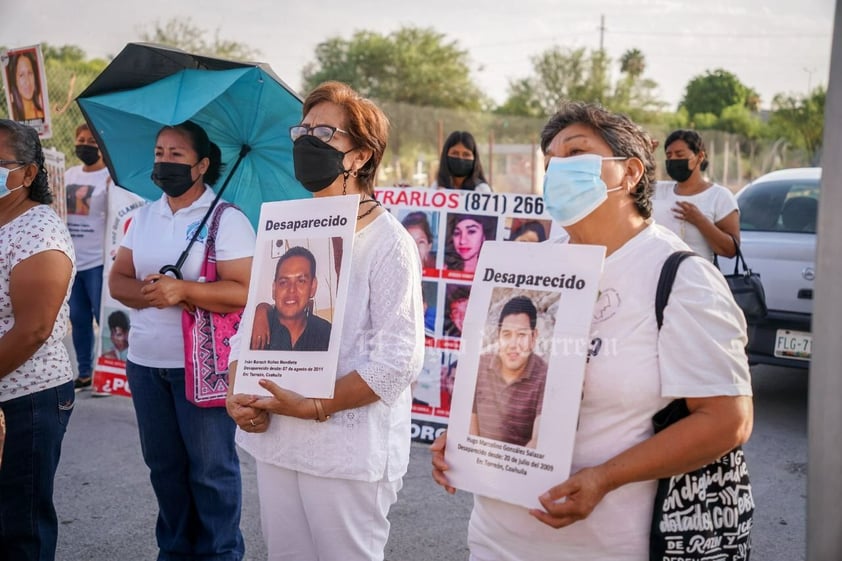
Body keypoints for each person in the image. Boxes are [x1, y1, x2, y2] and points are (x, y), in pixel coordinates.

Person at [432, 101, 753, 560]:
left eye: (576, 153)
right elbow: (504, 377)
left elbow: (727, 420)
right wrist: (466, 441)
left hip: (607, 546)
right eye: (551, 162)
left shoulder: (680, 276)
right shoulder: (534, 263)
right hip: (496, 541)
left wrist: (605, 478)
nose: (558, 169)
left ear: (631, 173)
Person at [226, 81, 425, 561]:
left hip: (347, 454)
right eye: (302, 129)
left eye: (324, 132)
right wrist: (238, 392)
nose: (305, 141)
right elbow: (248, 329)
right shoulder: (286, 227)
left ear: (359, 156)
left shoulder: (388, 241)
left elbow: (399, 360)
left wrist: (316, 405)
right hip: (277, 439)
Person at [108, 120, 255, 561]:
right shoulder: (143, 217)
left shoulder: (227, 220)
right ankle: (173, 552)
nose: (164, 161)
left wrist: (184, 291)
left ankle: (220, 553)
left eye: (176, 154)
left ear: (202, 164)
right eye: (159, 152)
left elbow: (244, 291)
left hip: (204, 367)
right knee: (165, 469)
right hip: (147, 362)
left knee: (211, 472)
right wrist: (154, 294)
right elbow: (119, 280)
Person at [0, 120, 76, 560]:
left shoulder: (39, 232)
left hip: (26, 399)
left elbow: (33, 329)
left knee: (19, 527)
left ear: (28, 174)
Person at [65, 122, 112, 390]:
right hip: (72, 261)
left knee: (102, 319)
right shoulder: (69, 174)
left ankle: (108, 375)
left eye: (91, 141)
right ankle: (85, 373)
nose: (84, 144)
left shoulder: (109, 178)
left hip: (98, 262)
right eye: (80, 139)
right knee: (78, 319)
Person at [469, 296, 547, 449]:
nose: (513, 344)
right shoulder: (479, 366)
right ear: (498, 336)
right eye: (506, 334)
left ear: (534, 337)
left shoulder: (544, 375)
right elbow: (469, 431)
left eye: (521, 335)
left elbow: (538, 439)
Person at [651, 129, 740, 262]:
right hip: (661, 277)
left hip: (698, 277)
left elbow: (731, 250)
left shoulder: (719, 196)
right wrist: (643, 155)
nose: (673, 159)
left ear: (699, 157)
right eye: (669, 156)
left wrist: (699, 220)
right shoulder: (658, 190)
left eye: (679, 155)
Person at [249, 245, 332, 351]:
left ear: (312, 287)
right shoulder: (254, 329)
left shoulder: (326, 333)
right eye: (283, 282)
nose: (291, 290)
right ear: (274, 289)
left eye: (301, 281)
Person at [7, 52, 46, 122]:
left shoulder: (42, 114)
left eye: (30, 73)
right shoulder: (11, 118)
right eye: (21, 75)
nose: (27, 81)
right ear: (14, 80)